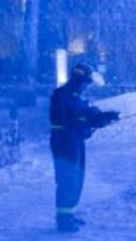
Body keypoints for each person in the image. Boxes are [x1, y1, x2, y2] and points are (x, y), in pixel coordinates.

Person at [49, 62, 120, 231]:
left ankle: (69, 214)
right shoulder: (62, 95)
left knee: (76, 178)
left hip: (75, 141)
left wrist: (104, 117)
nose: (87, 87)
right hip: (64, 142)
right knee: (67, 179)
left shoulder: (77, 97)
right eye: (86, 82)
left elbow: (86, 116)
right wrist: (87, 119)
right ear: (78, 80)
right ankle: (63, 221)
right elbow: (72, 117)